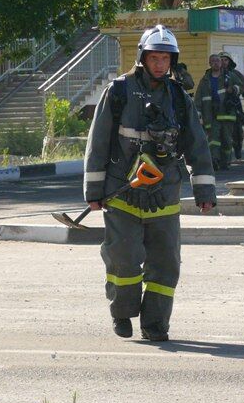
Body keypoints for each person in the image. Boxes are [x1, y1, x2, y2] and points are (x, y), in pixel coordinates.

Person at [84, 25, 216, 341]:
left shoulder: (180, 99)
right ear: (143, 57)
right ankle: (122, 312)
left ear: (172, 60)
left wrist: (205, 190)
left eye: (165, 58)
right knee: (124, 259)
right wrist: (93, 190)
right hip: (122, 193)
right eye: (154, 57)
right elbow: (98, 142)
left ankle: (155, 323)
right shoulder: (118, 91)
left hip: (164, 193)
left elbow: (198, 145)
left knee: (166, 264)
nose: (160, 64)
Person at [195, 54, 237, 170]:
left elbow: (241, 87)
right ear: (209, 63)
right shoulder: (205, 80)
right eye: (212, 61)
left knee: (227, 140)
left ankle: (226, 161)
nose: (215, 63)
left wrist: (233, 89)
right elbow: (198, 98)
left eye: (217, 61)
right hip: (211, 114)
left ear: (221, 63)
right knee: (213, 140)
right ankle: (215, 160)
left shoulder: (229, 76)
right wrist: (198, 113)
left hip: (227, 114)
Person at [217, 51, 244, 162]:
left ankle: (237, 148)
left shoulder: (236, 74)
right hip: (218, 108)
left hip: (234, 106)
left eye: (226, 60)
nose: (223, 62)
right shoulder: (213, 74)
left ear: (230, 62)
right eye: (221, 60)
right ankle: (222, 159)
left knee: (237, 131)